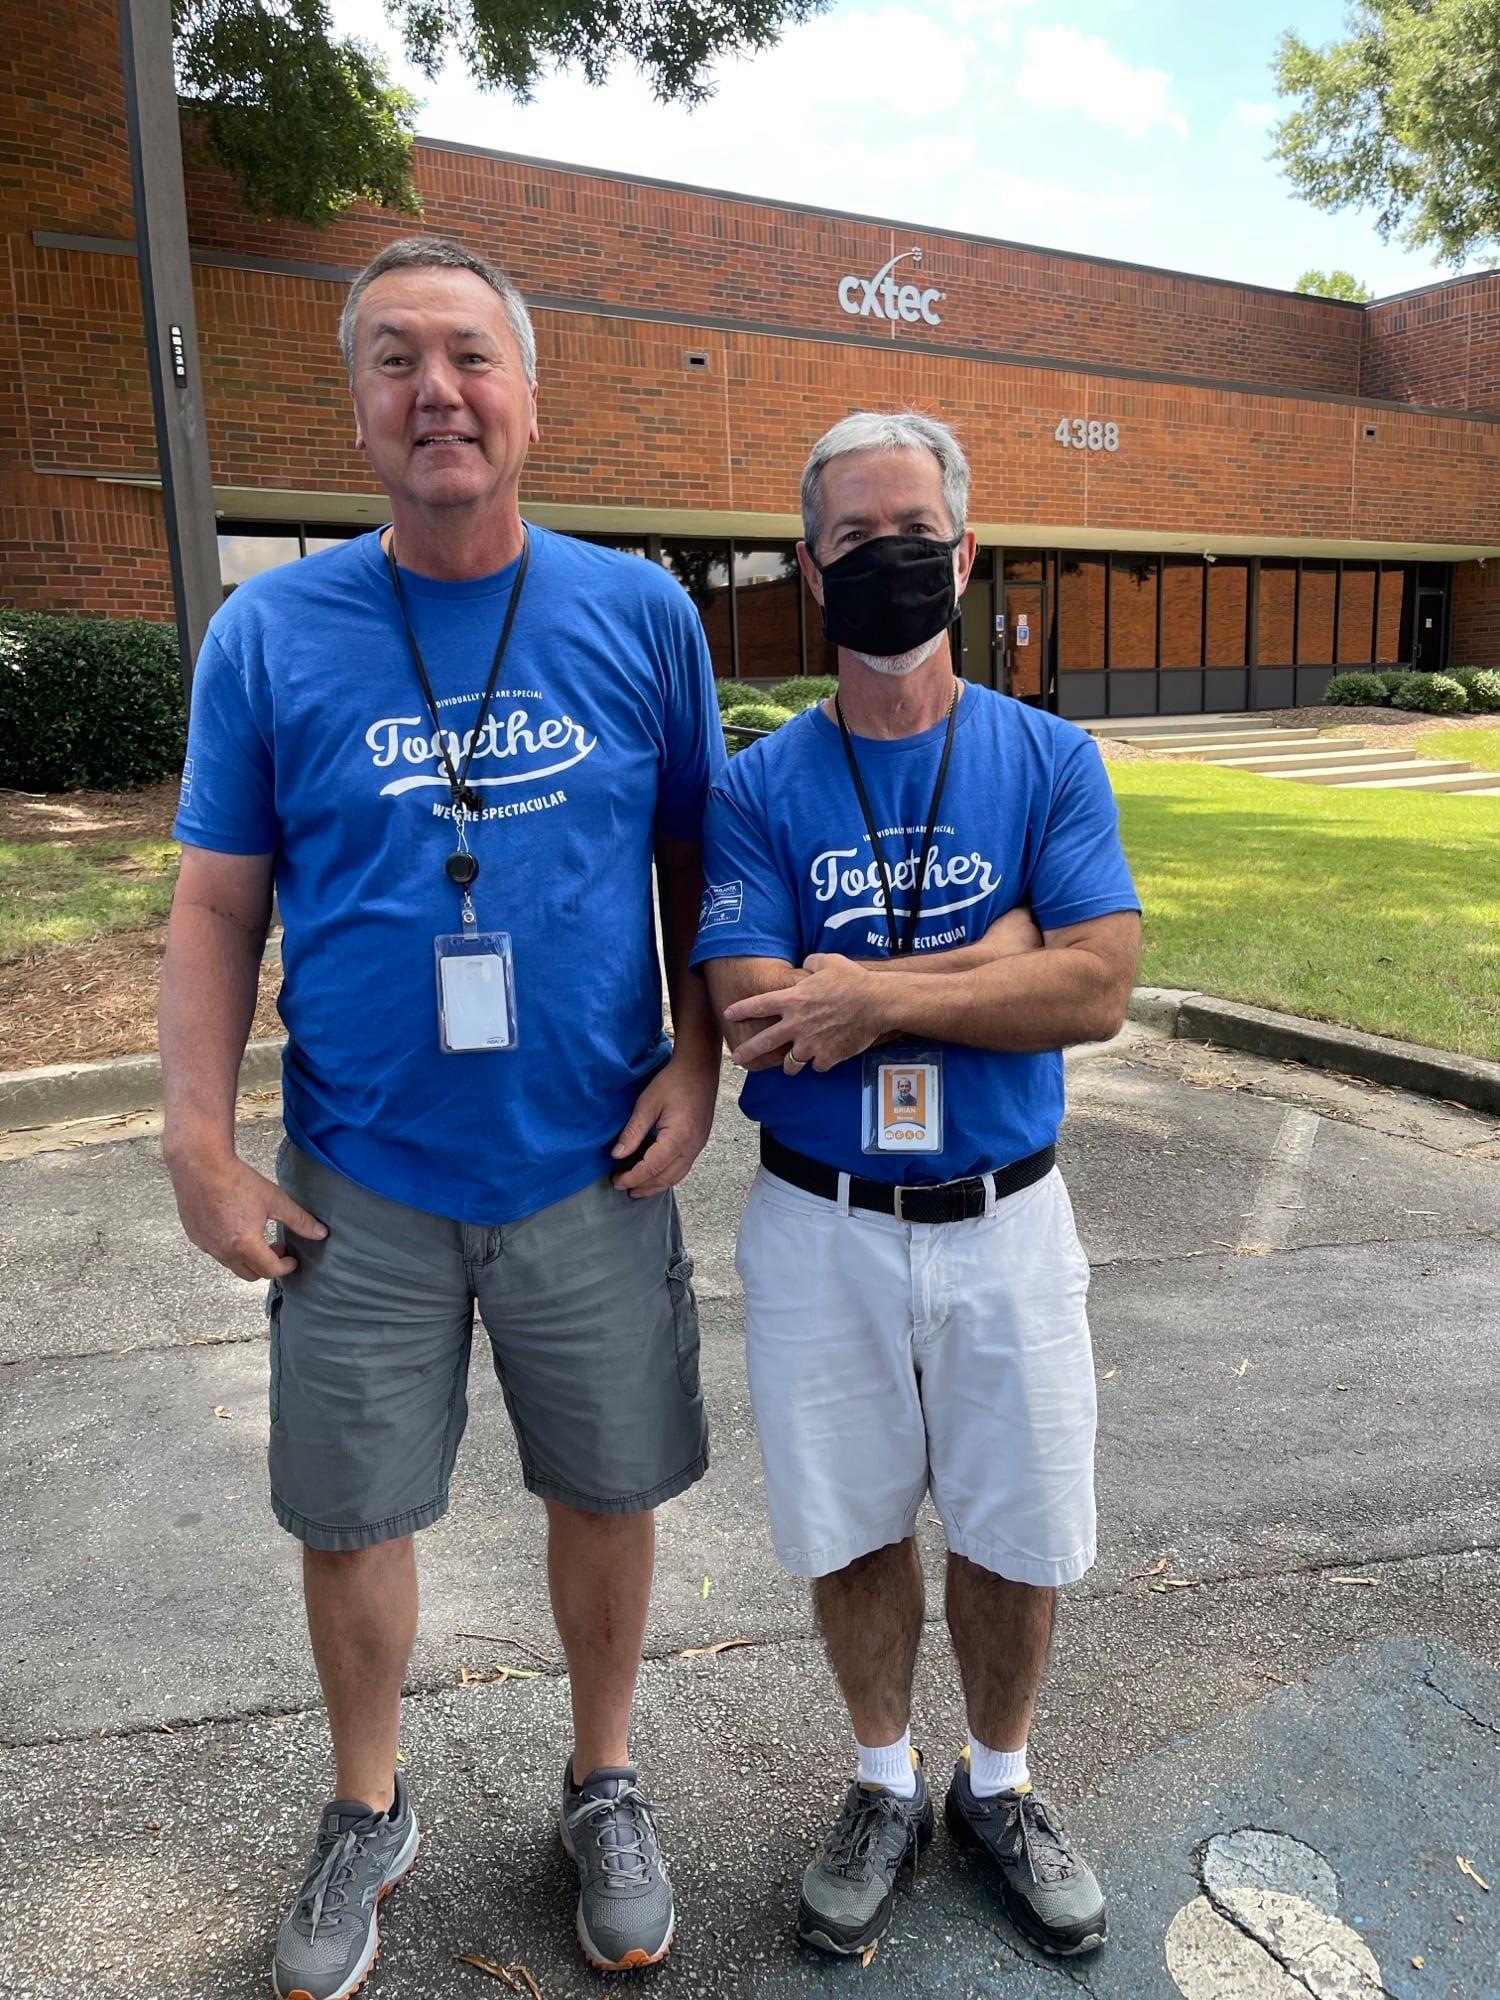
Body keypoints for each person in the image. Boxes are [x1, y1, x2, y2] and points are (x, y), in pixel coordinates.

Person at [159, 236, 724, 1997]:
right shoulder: (270, 634)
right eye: (396, 360)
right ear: (356, 408)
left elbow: (702, 866)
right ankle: (367, 1805)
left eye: (471, 357)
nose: (438, 393)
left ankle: (604, 1779)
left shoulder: (642, 616)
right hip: (359, 1176)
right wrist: (196, 1142)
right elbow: (215, 904)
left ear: (529, 397)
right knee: (350, 1514)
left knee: (609, 1488)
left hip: (589, 1163)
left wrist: (698, 1060)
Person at [691, 411, 1140, 1963]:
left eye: (918, 536)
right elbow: (759, 1012)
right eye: (857, 541)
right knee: (853, 1520)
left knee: (1017, 1525)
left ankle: (998, 1786)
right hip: (822, 1224)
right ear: (813, 568)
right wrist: (997, 953)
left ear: (966, 549)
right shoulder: (758, 786)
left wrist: (872, 993)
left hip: (1008, 1216)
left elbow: (1096, 987)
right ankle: (883, 1779)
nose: (892, 563)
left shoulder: (1047, 757)